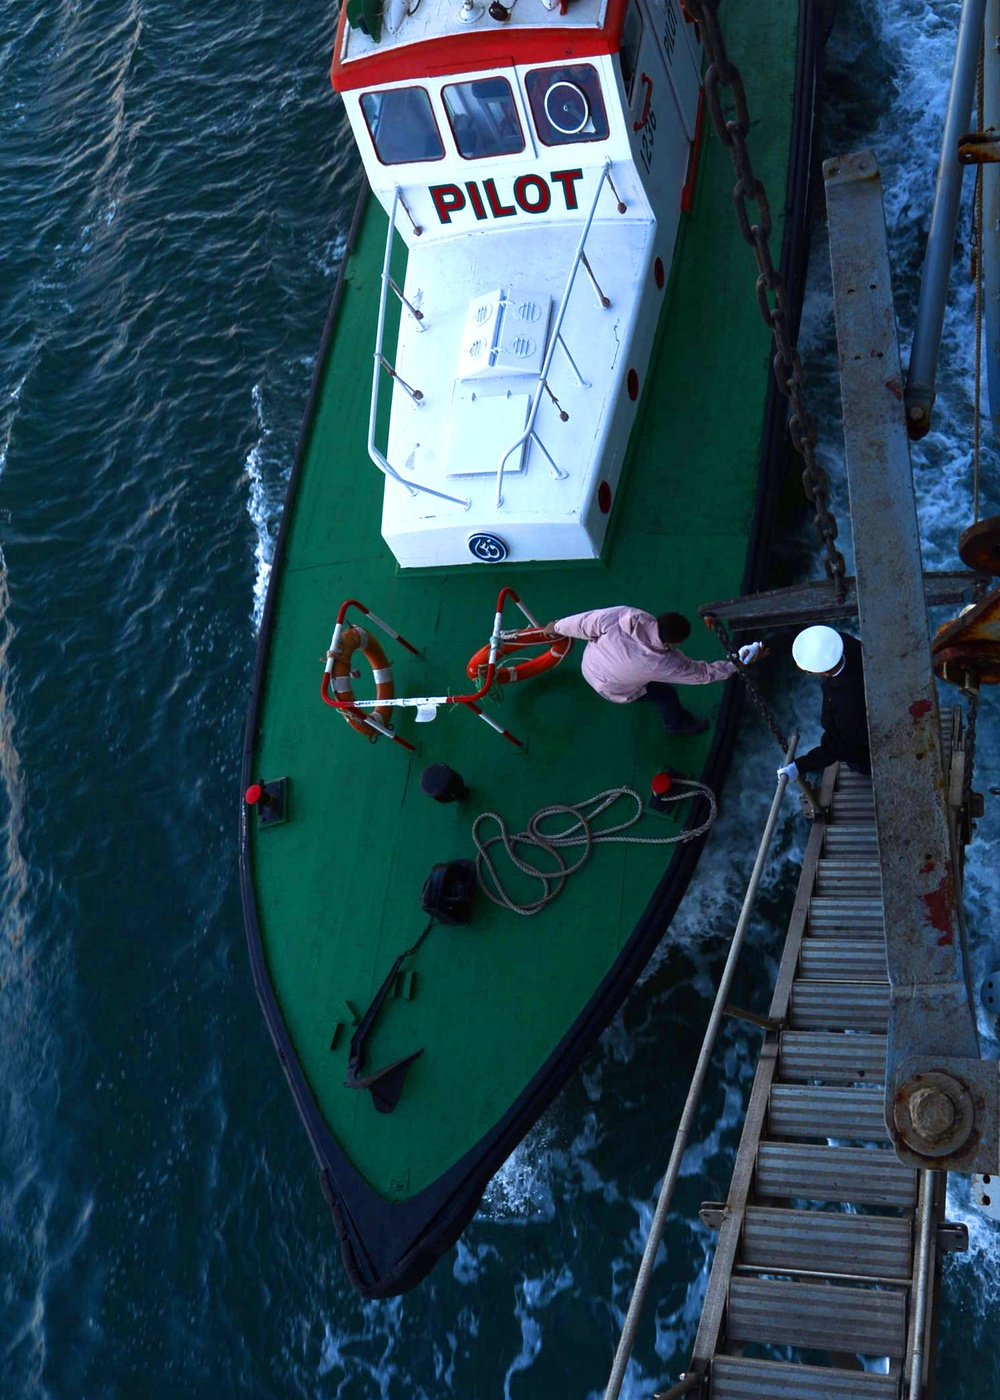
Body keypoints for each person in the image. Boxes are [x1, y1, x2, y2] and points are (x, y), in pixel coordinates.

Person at [543, 606, 764, 736]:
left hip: (589, 665)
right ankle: (676, 725)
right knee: (665, 694)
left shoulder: (625, 615)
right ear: (674, 643)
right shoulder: (666, 663)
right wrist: (739, 663)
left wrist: (556, 626)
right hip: (611, 688)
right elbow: (703, 674)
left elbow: (583, 623)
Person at [777, 625, 870, 783]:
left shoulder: (845, 701)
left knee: (859, 762)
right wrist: (762, 648)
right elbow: (810, 640)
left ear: (825, 673)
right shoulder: (845, 644)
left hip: (862, 747)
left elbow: (838, 746)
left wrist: (799, 766)